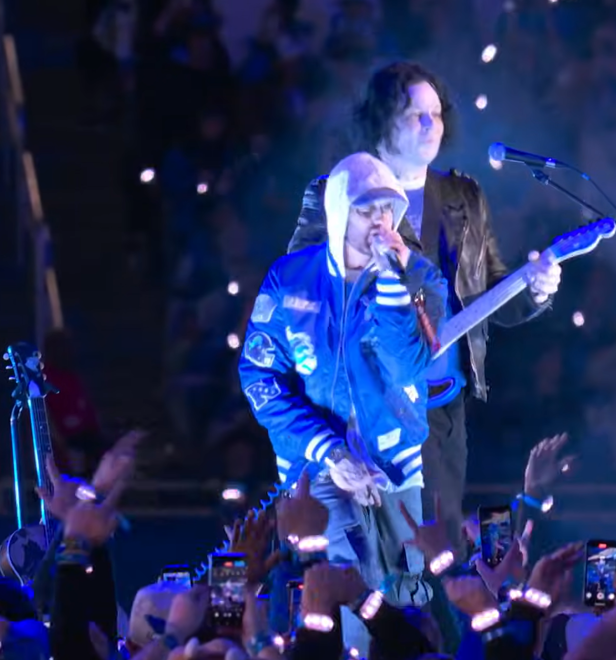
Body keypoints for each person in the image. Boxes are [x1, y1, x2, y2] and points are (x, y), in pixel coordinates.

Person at [287, 61, 563, 551]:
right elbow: (301, 293)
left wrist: (537, 288)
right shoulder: (336, 192)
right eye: (415, 113)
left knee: (433, 549)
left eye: (435, 114)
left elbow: (491, 294)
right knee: (367, 554)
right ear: (380, 119)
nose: (429, 124)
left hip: (439, 403)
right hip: (364, 405)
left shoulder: (462, 195)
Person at [238, 152, 448, 633]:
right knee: (338, 606)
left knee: (400, 608)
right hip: (316, 473)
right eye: (366, 208)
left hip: (393, 469)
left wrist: (393, 281)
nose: (379, 220)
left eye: (387, 208)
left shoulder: (420, 279)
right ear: (337, 212)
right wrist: (329, 452)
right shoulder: (289, 279)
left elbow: (411, 363)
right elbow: (259, 378)